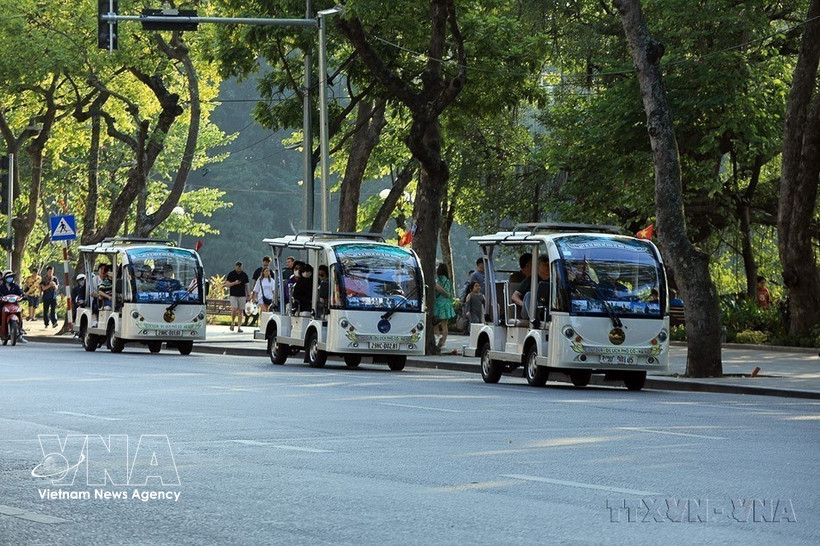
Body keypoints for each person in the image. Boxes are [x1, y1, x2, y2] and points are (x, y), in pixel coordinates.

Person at [512, 255, 550, 320]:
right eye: (544, 264)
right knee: (529, 295)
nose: (547, 266)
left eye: (548, 264)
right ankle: (534, 319)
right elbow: (514, 296)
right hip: (528, 311)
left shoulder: (554, 280)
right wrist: (524, 304)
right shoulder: (531, 279)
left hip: (546, 310)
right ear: (538, 266)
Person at [433, 263, 456, 351]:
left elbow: (437, 287)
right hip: (447, 304)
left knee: (434, 323)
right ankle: (443, 341)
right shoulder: (448, 280)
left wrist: (444, 293)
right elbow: (450, 294)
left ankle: (437, 337)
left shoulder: (438, 279)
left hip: (438, 303)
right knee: (444, 325)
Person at [0, 270, 27, 342]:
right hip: (3, 305)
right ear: (4, 278)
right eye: (8, 277)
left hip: (14, 305)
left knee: (20, 314)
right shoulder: (1, 287)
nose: (10, 278)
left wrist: (23, 296)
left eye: (11, 277)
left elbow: (20, 293)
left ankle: (20, 333)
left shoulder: (15, 287)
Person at [245, 256, 272, 326]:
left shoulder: (271, 273)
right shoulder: (258, 271)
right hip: (260, 295)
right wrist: (253, 295)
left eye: (268, 262)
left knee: (267, 310)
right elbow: (254, 282)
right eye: (265, 261)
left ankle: (265, 324)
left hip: (269, 296)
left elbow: (274, 286)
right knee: (263, 309)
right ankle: (263, 324)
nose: (266, 263)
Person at [225, 262, 250, 332]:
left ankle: (239, 327)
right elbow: (227, 284)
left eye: (240, 267)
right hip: (233, 294)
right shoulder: (231, 274)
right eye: (238, 267)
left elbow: (247, 285)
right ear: (235, 266)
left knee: (241, 311)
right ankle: (232, 322)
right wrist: (234, 283)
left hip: (242, 295)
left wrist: (248, 295)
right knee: (234, 308)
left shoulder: (244, 275)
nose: (239, 268)